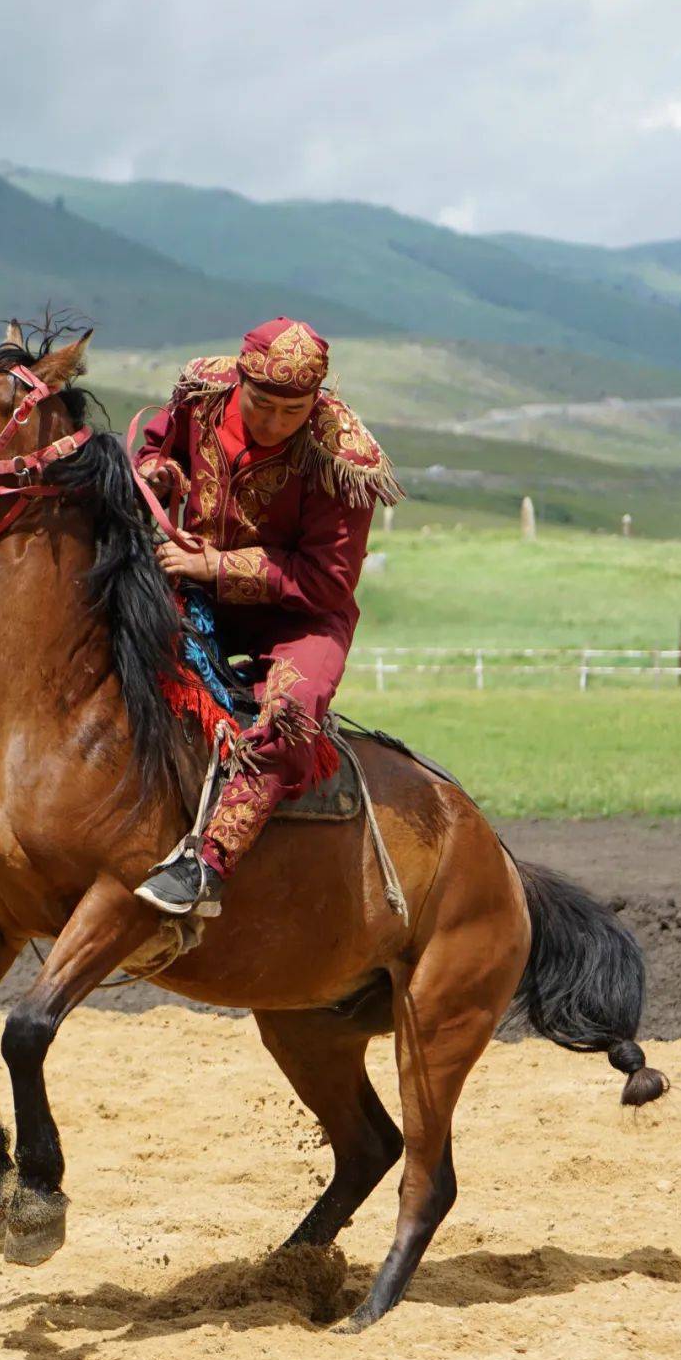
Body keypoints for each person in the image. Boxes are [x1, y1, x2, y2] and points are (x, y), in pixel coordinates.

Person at [133, 317, 402, 916]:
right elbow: (161, 447)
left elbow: (329, 580)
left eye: (294, 410)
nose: (275, 422)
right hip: (194, 578)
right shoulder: (201, 391)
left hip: (302, 616)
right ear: (238, 382)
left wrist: (217, 567)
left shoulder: (343, 458)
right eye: (262, 405)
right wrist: (162, 473)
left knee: (289, 718)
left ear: (317, 400)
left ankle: (206, 867)